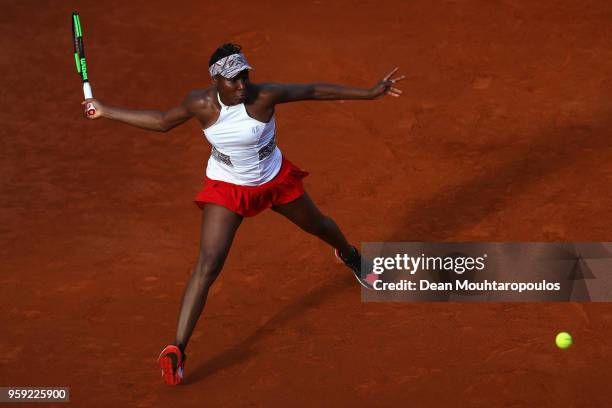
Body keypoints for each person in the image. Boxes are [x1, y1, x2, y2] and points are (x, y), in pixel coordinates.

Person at [82, 43, 405, 385]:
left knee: (320, 225)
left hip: (273, 179)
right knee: (208, 264)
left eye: (245, 77)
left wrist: (369, 93)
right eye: (234, 80)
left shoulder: (263, 96)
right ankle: (177, 349)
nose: (242, 85)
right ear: (216, 82)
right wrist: (106, 111)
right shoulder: (200, 103)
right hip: (228, 188)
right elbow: (163, 122)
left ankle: (350, 254)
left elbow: (312, 90)